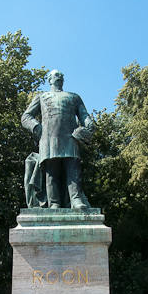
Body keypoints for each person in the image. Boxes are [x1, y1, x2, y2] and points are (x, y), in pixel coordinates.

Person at [21, 69, 94, 209]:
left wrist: (89, 124)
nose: (59, 77)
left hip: (71, 136)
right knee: (51, 172)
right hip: (48, 138)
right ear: (49, 80)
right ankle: (54, 203)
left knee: (73, 169)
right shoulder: (41, 97)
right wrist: (36, 127)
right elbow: (26, 116)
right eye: (55, 75)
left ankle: (76, 200)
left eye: (61, 76)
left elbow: (84, 115)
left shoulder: (74, 97)